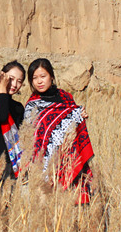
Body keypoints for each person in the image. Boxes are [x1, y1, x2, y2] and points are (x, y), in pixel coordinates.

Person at [24, 58, 95, 204]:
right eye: (34, 78)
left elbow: (72, 124)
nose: (39, 81)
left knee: (71, 205)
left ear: (51, 76)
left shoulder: (66, 98)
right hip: (44, 163)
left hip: (68, 157)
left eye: (43, 76)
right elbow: (33, 137)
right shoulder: (32, 105)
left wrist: (80, 117)